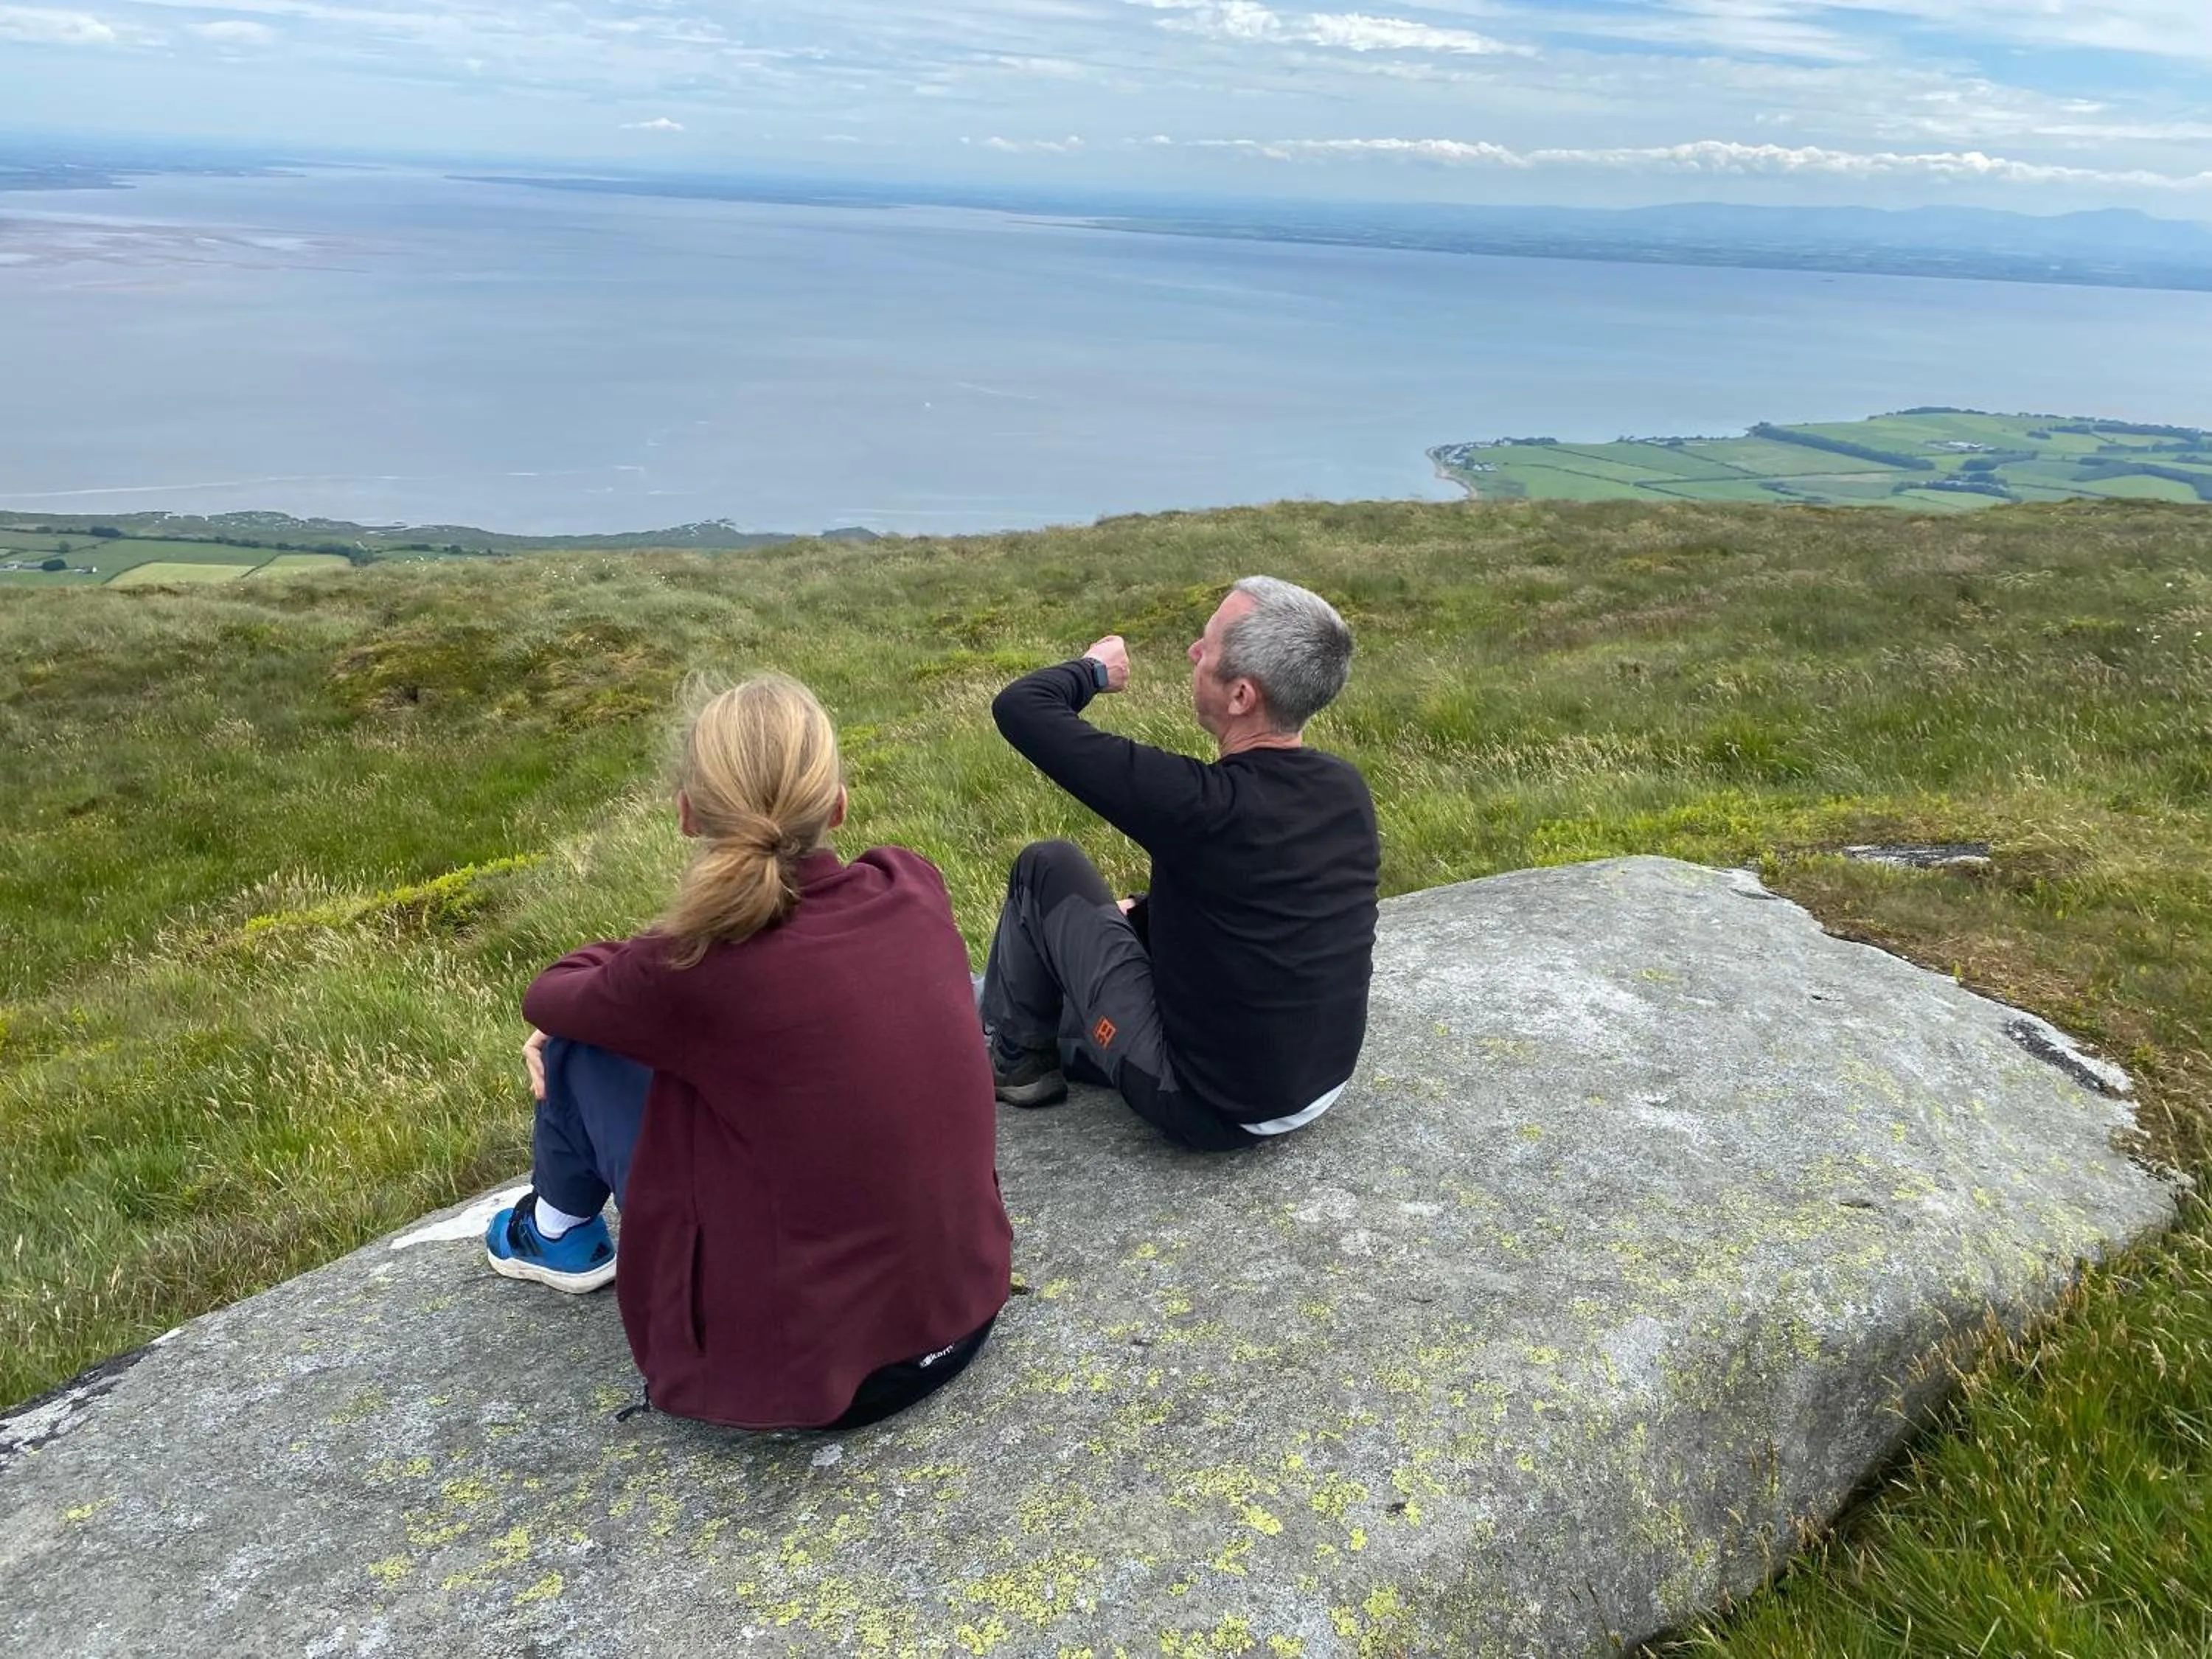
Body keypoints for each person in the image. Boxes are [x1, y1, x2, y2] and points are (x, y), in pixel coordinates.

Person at [484, 674, 1013, 1430]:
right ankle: (561, 1226)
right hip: (964, 1315)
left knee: (578, 1046)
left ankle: (560, 1233)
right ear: (837, 804)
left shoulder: (692, 970)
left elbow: (551, 994)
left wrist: (636, 976)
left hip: (824, 1384)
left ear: (687, 813)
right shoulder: (911, 883)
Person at [977, 576, 1380, 1151]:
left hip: (1205, 1103)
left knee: (1049, 865)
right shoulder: (1344, 788)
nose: (1193, 652)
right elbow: (1254, 895)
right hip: (1319, 1084)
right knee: (1107, 937)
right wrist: (1143, 911)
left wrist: (1093, 670)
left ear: (1242, 696)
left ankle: (1016, 1064)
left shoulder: (1203, 809)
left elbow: (1021, 707)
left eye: (1207, 647)